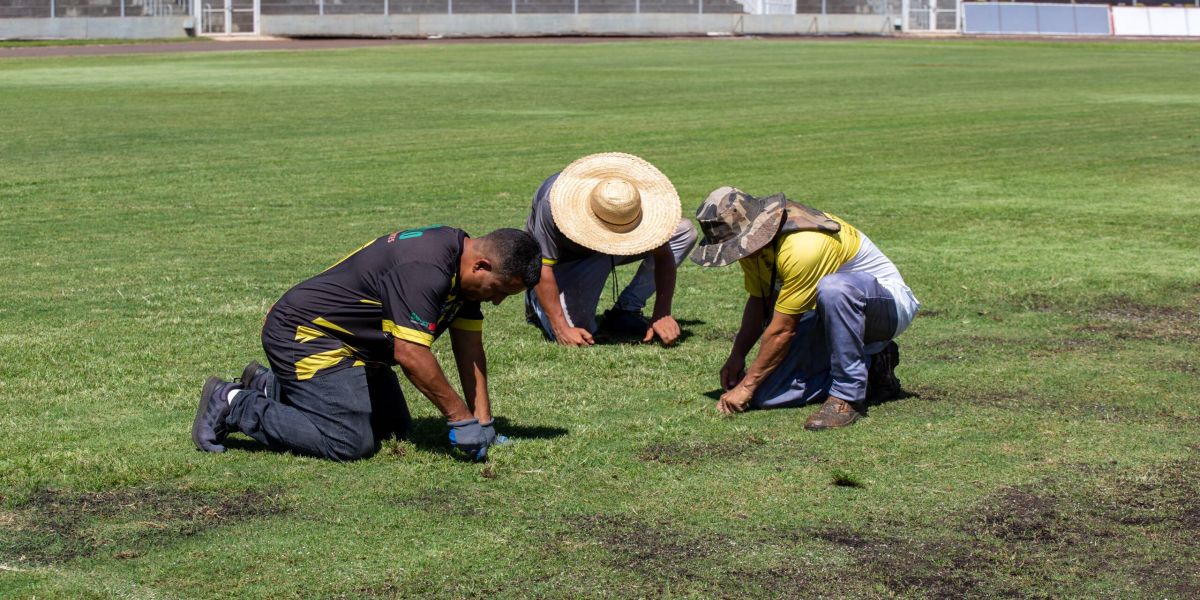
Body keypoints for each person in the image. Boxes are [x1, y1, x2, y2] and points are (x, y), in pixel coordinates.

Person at [192, 226, 541, 461]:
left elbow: (470, 351)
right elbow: (411, 354)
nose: (496, 302)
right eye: (498, 291)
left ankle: (273, 387)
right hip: (307, 335)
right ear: (481, 266)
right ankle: (234, 403)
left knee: (395, 429)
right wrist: (459, 419)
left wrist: (482, 424)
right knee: (348, 441)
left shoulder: (463, 270)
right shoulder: (425, 268)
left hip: (354, 345)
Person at [691, 187, 919, 429]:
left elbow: (783, 330)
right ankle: (872, 365)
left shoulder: (803, 246)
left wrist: (746, 385)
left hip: (886, 308)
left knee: (834, 289)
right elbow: (760, 302)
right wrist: (737, 357)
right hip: (827, 317)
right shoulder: (755, 248)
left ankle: (847, 398)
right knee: (768, 395)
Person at [524, 152, 697, 347]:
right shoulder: (553, 203)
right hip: (566, 263)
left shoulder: (627, 197)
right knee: (578, 330)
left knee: (682, 232)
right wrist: (561, 328)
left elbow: (663, 253)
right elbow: (541, 266)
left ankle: (626, 311)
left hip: (609, 249)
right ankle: (535, 302)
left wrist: (662, 312)